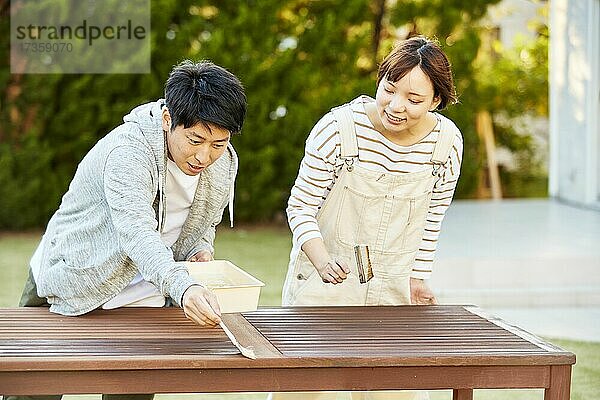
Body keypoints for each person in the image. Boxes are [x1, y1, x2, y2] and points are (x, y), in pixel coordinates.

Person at [7, 60, 246, 400]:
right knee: (34, 393)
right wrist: (184, 286)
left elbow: (204, 222)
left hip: (145, 296)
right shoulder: (129, 152)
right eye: (195, 139)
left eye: (218, 144)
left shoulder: (224, 163)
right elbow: (136, 232)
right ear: (168, 120)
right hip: (73, 281)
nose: (205, 155)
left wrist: (199, 251)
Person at [278, 36, 463, 400]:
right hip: (325, 284)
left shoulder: (446, 144)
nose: (396, 106)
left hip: (393, 288)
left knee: (395, 392)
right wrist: (322, 260)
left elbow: (432, 218)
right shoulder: (337, 128)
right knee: (300, 391)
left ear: (437, 101)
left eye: (414, 100)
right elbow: (300, 206)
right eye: (389, 89)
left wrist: (417, 279)